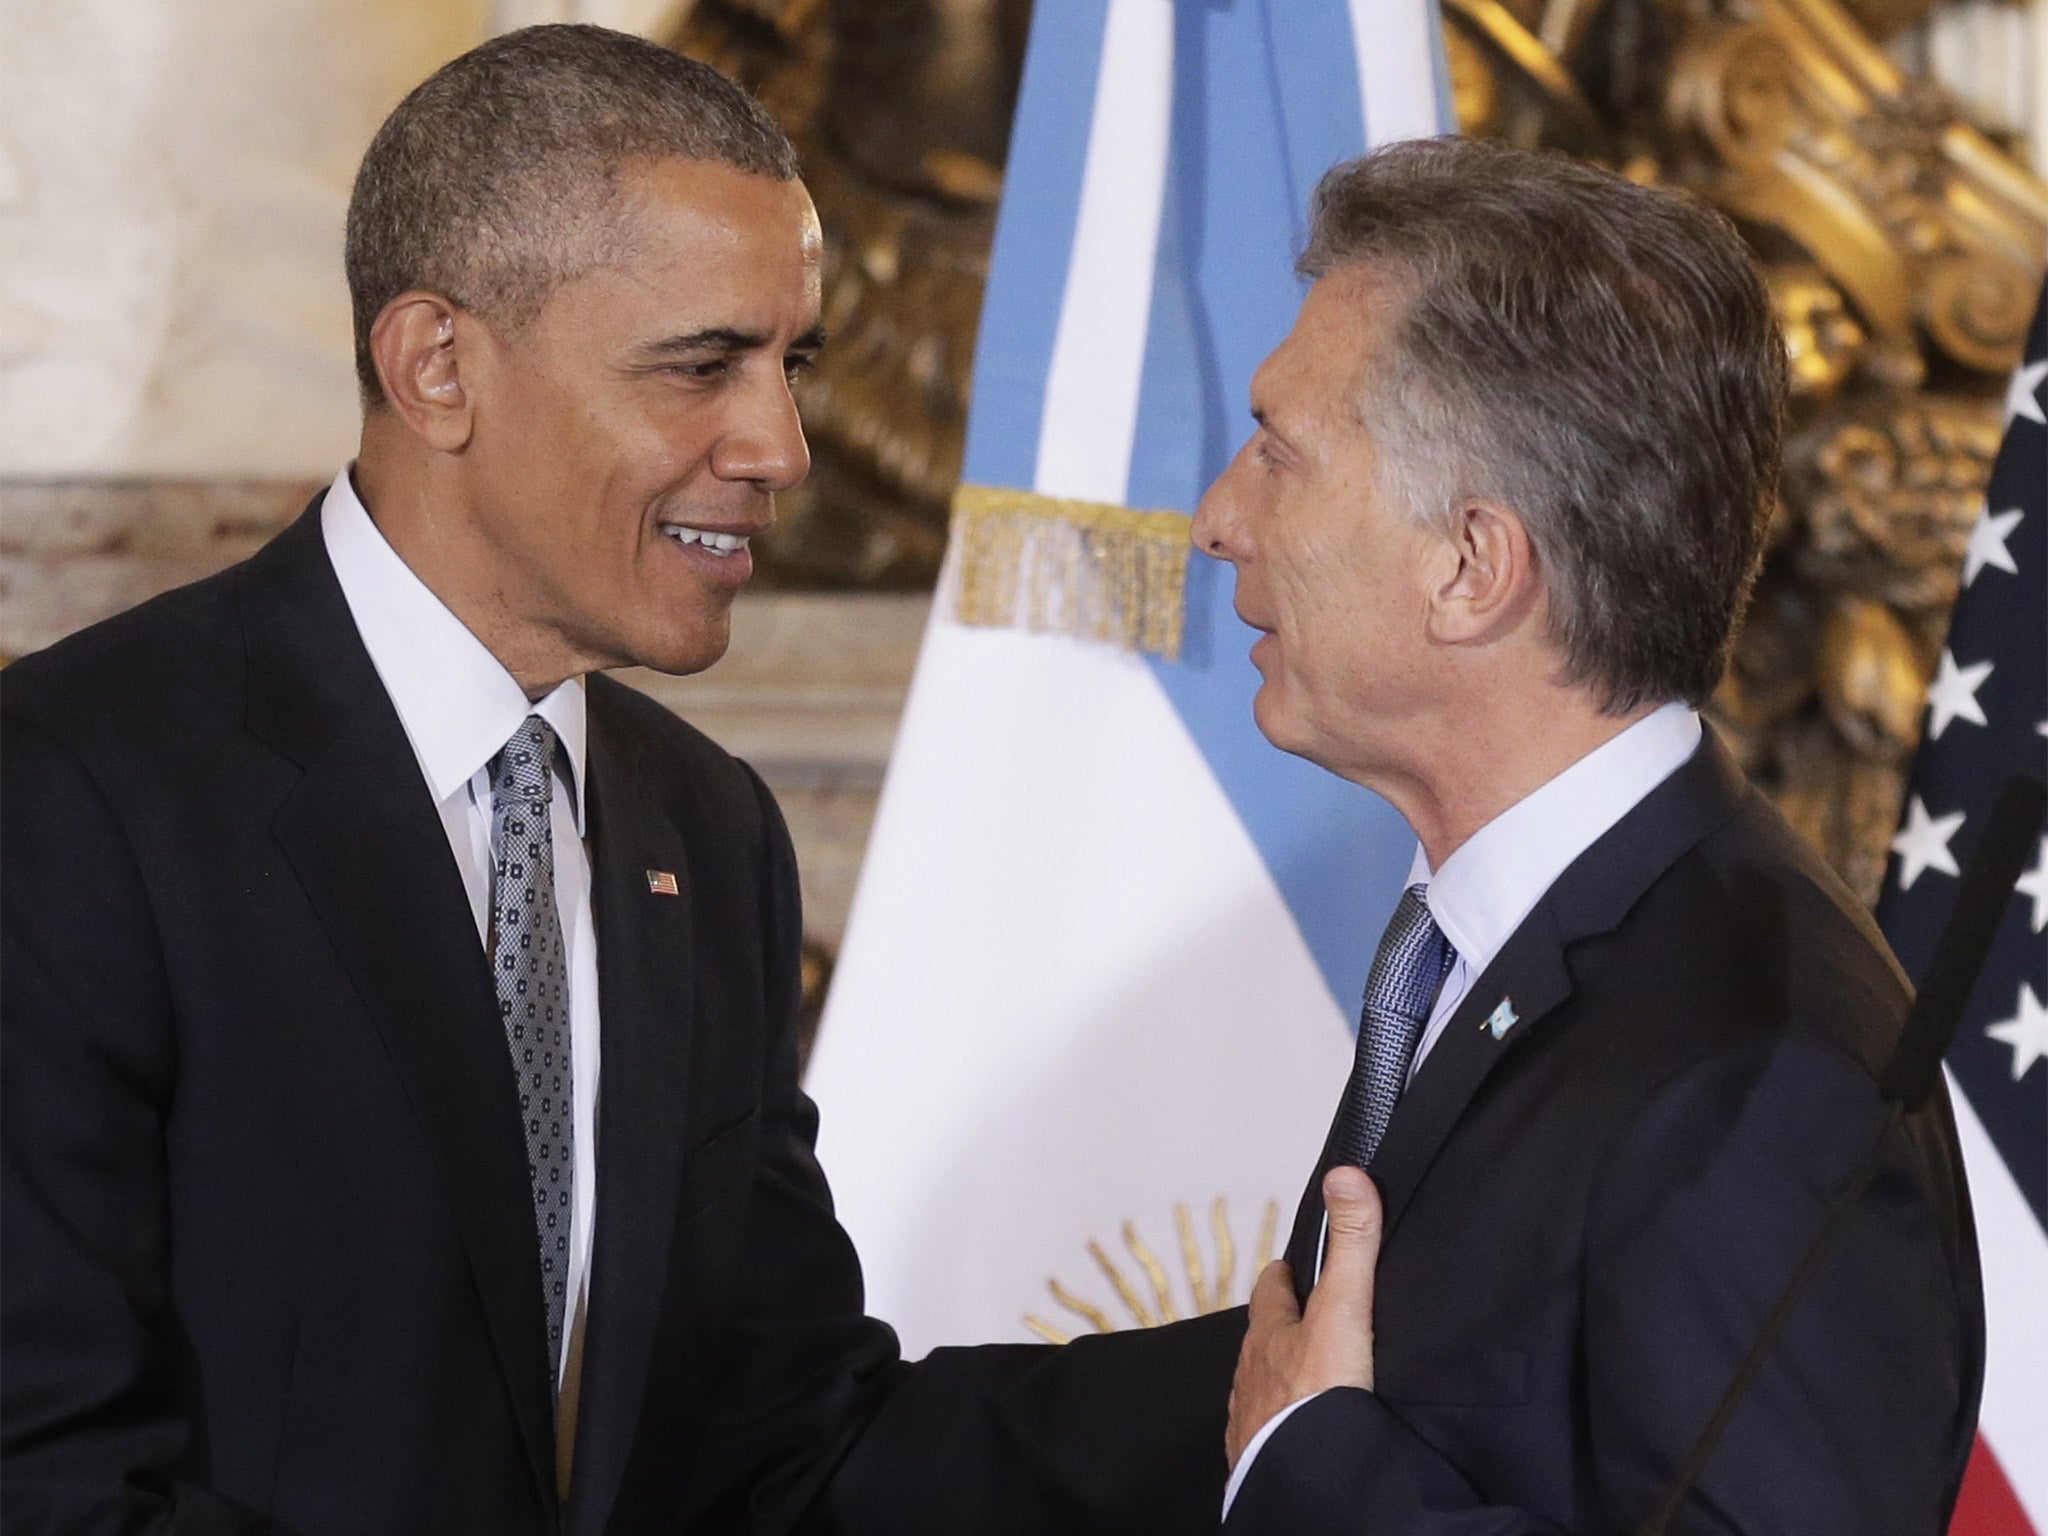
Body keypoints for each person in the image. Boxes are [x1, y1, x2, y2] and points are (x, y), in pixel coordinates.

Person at [0, 27, 1238, 1536]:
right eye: (703, 365)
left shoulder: (705, 831)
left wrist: (1268, 1385)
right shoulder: (69, 796)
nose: (781, 444)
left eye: (792, 366)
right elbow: (45, 1482)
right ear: (437, 365)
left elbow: (785, 1446)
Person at [1195, 138, 1983, 1534]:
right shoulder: (1504, 945)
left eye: (1278, 455)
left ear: (1471, 567)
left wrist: (1313, 1479)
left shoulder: (1760, 1080)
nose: (1218, 521)